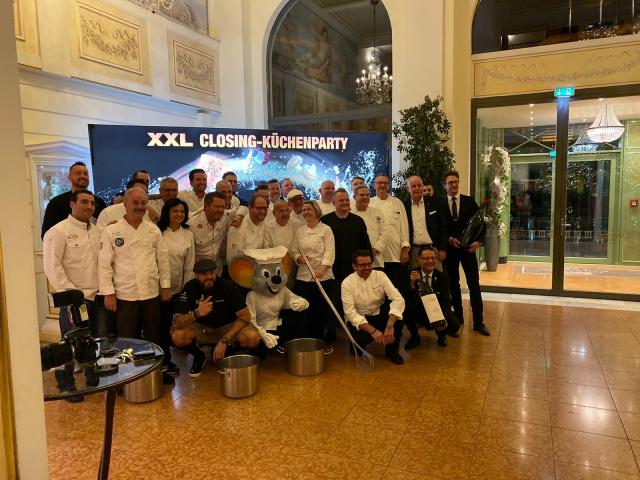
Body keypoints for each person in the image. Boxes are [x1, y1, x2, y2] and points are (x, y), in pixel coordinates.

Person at [98, 187, 172, 345]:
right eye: (135, 203)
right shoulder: (112, 231)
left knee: (153, 336)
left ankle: (153, 361)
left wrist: (165, 286)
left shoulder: (153, 229)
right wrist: (108, 293)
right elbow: (104, 265)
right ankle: (128, 362)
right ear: (125, 204)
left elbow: (163, 260)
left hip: (150, 292)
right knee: (127, 337)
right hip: (125, 294)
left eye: (143, 203)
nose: (140, 206)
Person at [171, 259, 260, 376]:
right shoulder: (190, 287)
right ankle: (199, 356)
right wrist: (197, 313)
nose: (209, 277)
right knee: (178, 336)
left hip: (227, 327)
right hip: (202, 328)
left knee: (252, 337)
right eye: (204, 274)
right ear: (196, 275)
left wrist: (225, 340)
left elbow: (245, 316)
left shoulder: (227, 286)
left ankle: (229, 352)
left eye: (211, 273)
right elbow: (176, 323)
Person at [43, 190, 110, 338]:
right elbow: (52, 266)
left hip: (99, 298)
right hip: (75, 300)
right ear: (72, 204)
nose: (89, 206)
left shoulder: (98, 231)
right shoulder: (58, 231)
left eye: (92, 203)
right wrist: (72, 294)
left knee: (101, 341)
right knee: (75, 343)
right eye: (84, 202)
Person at [442, 171, 490, 336]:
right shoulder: (440, 203)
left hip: (468, 250)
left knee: (473, 285)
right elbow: (439, 226)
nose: (454, 185)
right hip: (450, 251)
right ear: (445, 186)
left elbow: (481, 223)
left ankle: (479, 322)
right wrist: (449, 238)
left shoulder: (469, 201)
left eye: (456, 181)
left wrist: (479, 242)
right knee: (453, 284)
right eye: (450, 182)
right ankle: (458, 317)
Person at [341, 250, 405, 365]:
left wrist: (390, 325)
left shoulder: (380, 275)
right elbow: (350, 313)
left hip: (379, 314)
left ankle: (392, 351)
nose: (367, 268)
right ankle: (358, 343)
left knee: (397, 317)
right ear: (354, 266)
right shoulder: (347, 283)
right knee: (357, 346)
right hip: (361, 319)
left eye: (369, 264)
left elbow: (398, 299)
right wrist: (373, 331)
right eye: (362, 265)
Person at [156, 197, 195, 380]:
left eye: (182, 211)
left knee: (179, 324)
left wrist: (186, 290)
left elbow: (189, 264)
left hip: (179, 289)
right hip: (157, 290)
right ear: (167, 213)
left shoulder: (187, 234)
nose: (179, 214)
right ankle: (165, 362)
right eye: (175, 211)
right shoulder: (157, 231)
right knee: (161, 327)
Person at [291, 201, 336, 347]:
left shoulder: (326, 229)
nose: (305, 212)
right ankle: (304, 341)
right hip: (303, 276)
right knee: (304, 310)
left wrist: (321, 271)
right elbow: (294, 250)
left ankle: (317, 342)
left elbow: (329, 252)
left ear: (316, 211)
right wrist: (298, 258)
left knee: (320, 311)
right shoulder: (300, 231)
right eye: (304, 210)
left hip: (323, 277)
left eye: (309, 209)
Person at [407, 246, 459, 349]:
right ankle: (415, 337)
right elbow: (406, 298)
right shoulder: (412, 274)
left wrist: (443, 320)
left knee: (454, 325)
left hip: (436, 311)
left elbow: (446, 301)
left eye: (433, 258)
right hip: (418, 309)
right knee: (407, 311)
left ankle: (441, 335)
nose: (430, 261)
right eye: (426, 258)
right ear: (418, 259)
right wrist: (412, 284)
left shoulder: (442, 276)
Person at [41, 161, 107, 238]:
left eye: (85, 173)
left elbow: (105, 229)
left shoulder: (99, 202)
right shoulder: (56, 203)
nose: (83, 176)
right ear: (69, 177)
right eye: (78, 173)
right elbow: (47, 235)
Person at [321, 188, 371, 283]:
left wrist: (366, 265)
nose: (345, 202)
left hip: (355, 268)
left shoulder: (358, 220)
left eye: (347, 200)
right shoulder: (325, 221)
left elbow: (366, 245)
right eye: (341, 200)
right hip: (332, 269)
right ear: (333, 203)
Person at [370, 174, 411, 291]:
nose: (382, 185)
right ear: (374, 185)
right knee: (379, 289)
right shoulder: (370, 203)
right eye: (379, 183)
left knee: (396, 288)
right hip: (377, 255)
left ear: (388, 185)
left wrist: (405, 249)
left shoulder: (397, 202)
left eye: (385, 183)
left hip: (396, 254)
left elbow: (404, 226)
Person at [404, 176, 448, 268]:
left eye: (419, 185)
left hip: (433, 249)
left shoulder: (435, 202)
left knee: (436, 276)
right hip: (414, 251)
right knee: (416, 276)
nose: (417, 188)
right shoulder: (404, 206)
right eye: (413, 186)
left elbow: (443, 226)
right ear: (408, 189)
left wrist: (442, 248)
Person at [351, 184, 389, 269]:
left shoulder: (377, 212)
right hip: (356, 259)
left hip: (375, 257)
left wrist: (376, 249)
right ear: (354, 197)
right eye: (361, 195)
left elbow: (385, 233)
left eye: (367, 195)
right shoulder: (350, 214)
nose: (365, 197)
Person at [189, 192, 232, 264]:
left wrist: (238, 217)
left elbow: (243, 208)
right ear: (206, 207)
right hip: (198, 269)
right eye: (217, 207)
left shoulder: (225, 217)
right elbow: (188, 255)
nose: (221, 210)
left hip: (217, 268)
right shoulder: (192, 225)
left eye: (223, 207)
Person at [226, 195, 268, 264]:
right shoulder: (237, 228)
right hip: (243, 268)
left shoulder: (262, 223)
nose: (263, 211)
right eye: (259, 208)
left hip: (259, 266)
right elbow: (232, 260)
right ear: (250, 208)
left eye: (265, 208)